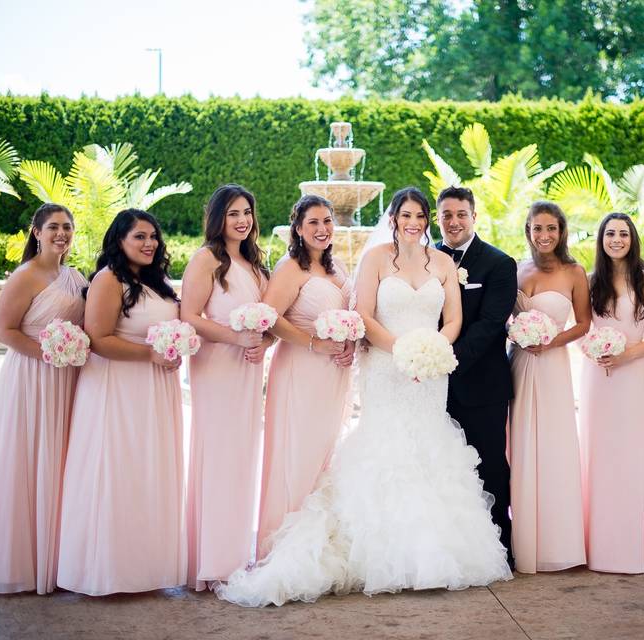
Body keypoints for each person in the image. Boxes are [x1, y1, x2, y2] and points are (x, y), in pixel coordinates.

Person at [216, 187, 511, 607]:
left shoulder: (443, 262)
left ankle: (431, 554)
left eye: (420, 217)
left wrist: (434, 352)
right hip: (389, 368)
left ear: (427, 222)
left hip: (429, 373)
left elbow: (455, 318)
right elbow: (366, 315)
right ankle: (377, 552)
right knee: (387, 449)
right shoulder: (374, 260)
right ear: (392, 219)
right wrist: (402, 351)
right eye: (405, 215)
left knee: (429, 450)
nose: (413, 223)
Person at [57, 209, 186, 595]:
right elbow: (97, 338)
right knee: (117, 469)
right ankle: (107, 571)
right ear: (120, 241)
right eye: (139, 237)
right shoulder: (108, 280)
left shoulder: (159, 282)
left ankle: (147, 569)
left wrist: (175, 349)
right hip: (116, 389)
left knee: (150, 470)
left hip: (156, 391)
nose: (150, 244)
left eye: (153, 237)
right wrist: (151, 354)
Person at [0, 204, 87, 594]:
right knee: (28, 458)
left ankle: (58, 560)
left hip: (67, 378)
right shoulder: (24, 276)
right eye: (54, 227)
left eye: (68, 227)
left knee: (60, 463)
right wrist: (48, 353)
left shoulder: (76, 277)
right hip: (31, 376)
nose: (62, 233)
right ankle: (23, 564)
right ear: (36, 232)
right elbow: (4, 331)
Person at [181, 184, 271, 590]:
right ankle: (212, 563)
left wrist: (263, 343)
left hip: (248, 369)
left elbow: (269, 320)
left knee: (241, 458)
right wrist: (236, 339)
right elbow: (190, 315)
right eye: (233, 213)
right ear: (218, 217)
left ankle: (235, 557)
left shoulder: (255, 263)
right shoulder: (206, 259)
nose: (242, 220)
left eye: (247, 212)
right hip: (216, 367)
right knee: (218, 457)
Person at [256, 195, 355, 556]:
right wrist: (315, 343)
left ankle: (319, 545)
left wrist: (349, 344)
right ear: (297, 228)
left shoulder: (338, 267)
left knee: (325, 454)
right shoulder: (290, 268)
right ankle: (283, 546)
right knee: (297, 454)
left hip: (334, 374)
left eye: (327, 221)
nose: (322, 229)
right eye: (313, 222)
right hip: (301, 370)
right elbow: (271, 317)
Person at [578, 213, 644, 574]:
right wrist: (595, 351)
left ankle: (630, 547)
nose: (616, 239)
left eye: (623, 234)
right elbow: (582, 329)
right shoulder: (589, 281)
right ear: (601, 239)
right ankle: (597, 546)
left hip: (631, 375)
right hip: (597, 376)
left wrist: (625, 355)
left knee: (629, 454)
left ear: (633, 240)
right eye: (610, 234)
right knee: (598, 453)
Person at [434, 185, 517, 564]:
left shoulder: (499, 264)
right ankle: (448, 547)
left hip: (481, 384)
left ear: (474, 217)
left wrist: (446, 361)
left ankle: (500, 549)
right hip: (431, 387)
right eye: (446, 215)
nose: (453, 222)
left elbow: (489, 324)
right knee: (441, 467)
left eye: (460, 214)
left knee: (490, 466)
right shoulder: (426, 260)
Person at [509, 200, 590, 574]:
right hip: (522, 363)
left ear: (561, 232)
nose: (544, 236)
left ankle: (559, 542)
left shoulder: (575, 272)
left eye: (550, 229)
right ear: (528, 231)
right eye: (537, 228)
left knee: (554, 444)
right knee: (522, 444)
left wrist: (551, 341)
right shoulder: (518, 270)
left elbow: (584, 323)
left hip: (553, 364)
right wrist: (520, 335)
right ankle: (525, 540)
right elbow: (504, 316)